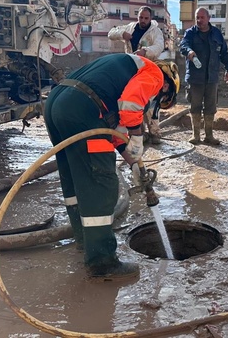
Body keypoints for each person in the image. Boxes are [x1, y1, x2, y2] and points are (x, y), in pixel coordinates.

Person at [44, 53, 179, 279]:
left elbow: (114, 133)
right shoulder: (154, 74)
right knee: (102, 183)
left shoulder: (122, 72)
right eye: (162, 100)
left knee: (75, 175)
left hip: (57, 105)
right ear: (167, 85)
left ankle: (84, 240)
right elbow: (132, 104)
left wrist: (133, 162)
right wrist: (138, 136)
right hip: (83, 110)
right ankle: (102, 262)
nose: (155, 102)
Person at [108, 6, 166, 143]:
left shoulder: (155, 32)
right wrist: (122, 34)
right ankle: (139, 132)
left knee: (151, 103)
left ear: (150, 18)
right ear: (138, 17)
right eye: (141, 17)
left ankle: (155, 133)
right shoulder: (130, 27)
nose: (143, 20)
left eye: (146, 18)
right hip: (131, 70)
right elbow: (111, 33)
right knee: (134, 102)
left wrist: (145, 51)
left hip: (148, 70)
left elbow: (159, 47)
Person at [179, 7, 228, 145]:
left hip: (212, 78)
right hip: (195, 78)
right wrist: (189, 51)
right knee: (195, 106)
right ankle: (195, 135)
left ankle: (209, 135)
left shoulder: (216, 34)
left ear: (208, 18)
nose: (199, 20)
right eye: (197, 17)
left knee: (210, 107)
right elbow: (183, 45)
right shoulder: (190, 33)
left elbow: (224, 53)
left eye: (202, 17)